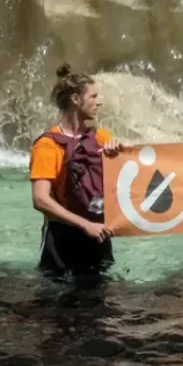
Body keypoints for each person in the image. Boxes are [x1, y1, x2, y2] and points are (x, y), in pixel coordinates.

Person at [29, 64, 123, 278]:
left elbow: (128, 179)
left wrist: (116, 152)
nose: (99, 102)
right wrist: (85, 225)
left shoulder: (100, 137)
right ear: (75, 100)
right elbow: (40, 200)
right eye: (93, 96)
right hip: (62, 241)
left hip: (98, 234)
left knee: (102, 303)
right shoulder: (47, 145)